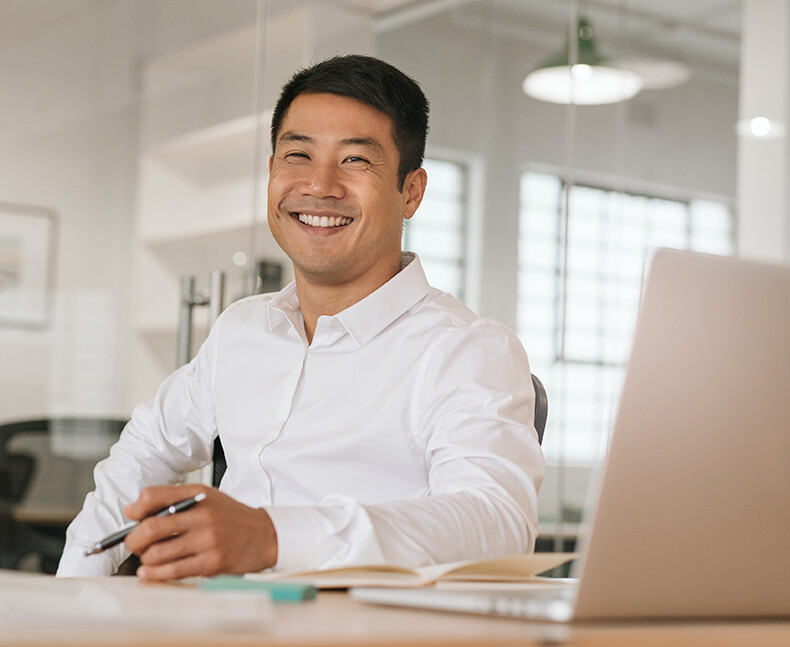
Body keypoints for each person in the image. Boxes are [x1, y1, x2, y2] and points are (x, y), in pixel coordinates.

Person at [57, 54, 545, 580]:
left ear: (411, 192)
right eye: (297, 155)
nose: (320, 185)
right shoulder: (240, 330)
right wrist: (74, 592)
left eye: (356, 161)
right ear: (271, 171)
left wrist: (272, 538)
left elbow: (497, 520)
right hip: (215, 623)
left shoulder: (466, 349)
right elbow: (145, 450)